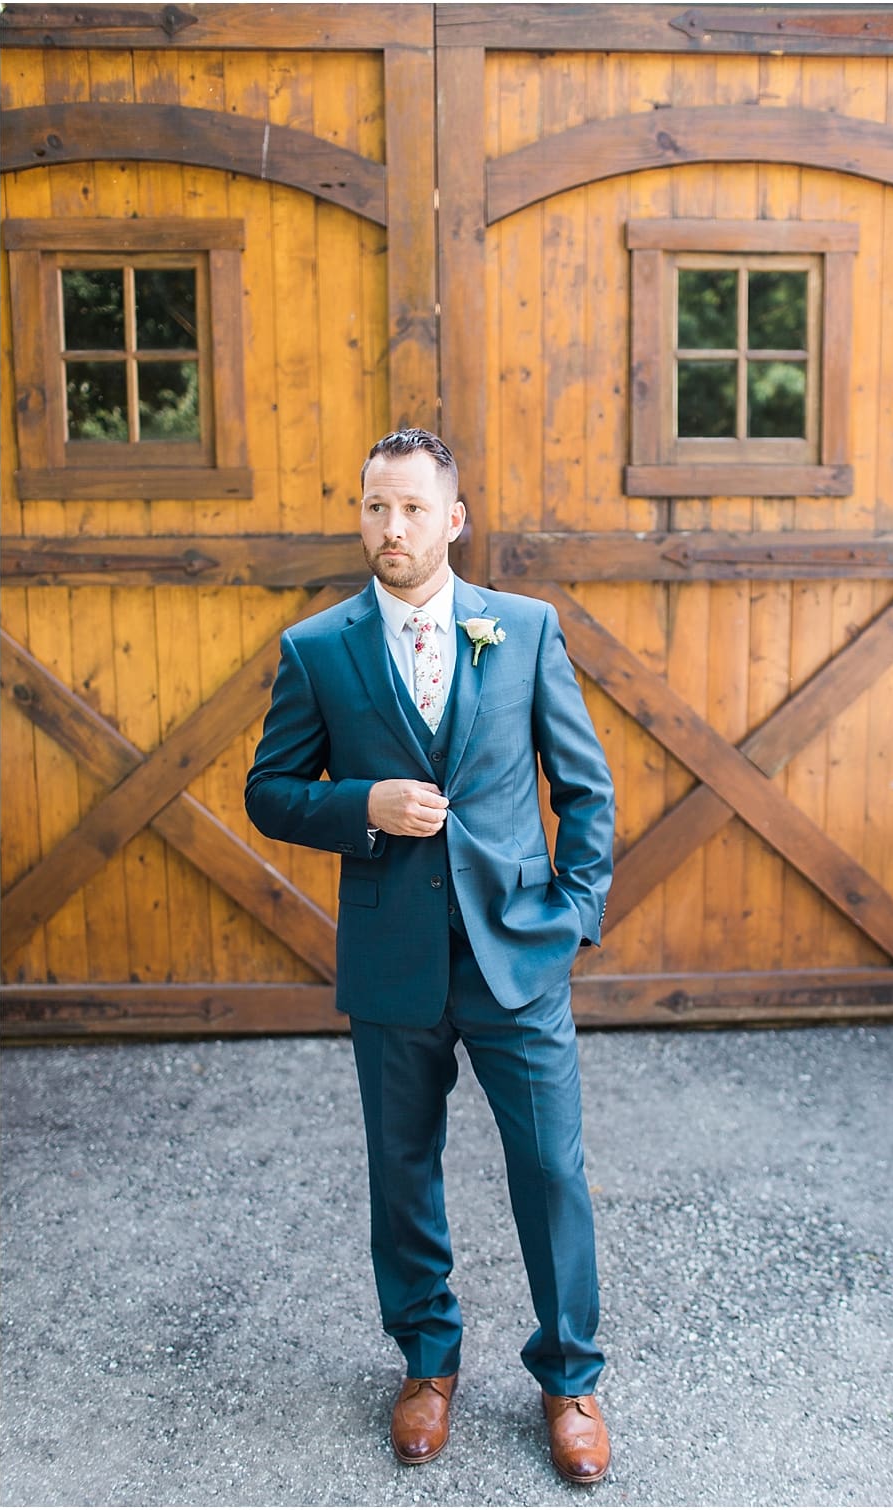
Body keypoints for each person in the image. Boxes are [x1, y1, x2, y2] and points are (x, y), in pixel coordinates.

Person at [243, 427, 615, 1484]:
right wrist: (362, 803)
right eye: (374, 507)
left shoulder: (527, 630)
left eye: (411, 508)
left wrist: (574, 913)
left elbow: (584, 786)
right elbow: (268, 792)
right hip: (393, 960)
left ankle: (571, 1377)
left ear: (453, 519)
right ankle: (426, 1359)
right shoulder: (319, 647)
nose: (390, 527)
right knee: (403, 1171)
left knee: (551, 1172)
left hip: (516, 957)